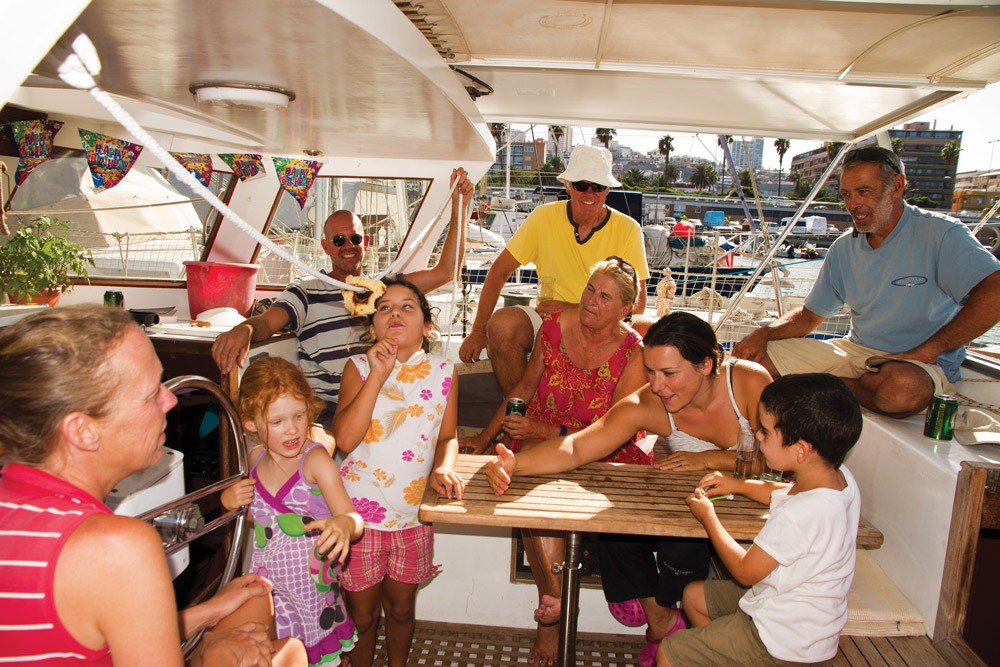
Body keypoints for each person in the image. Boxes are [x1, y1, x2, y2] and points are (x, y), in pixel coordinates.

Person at [0, 305, 305, 667]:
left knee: (250, 597)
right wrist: (211, 655)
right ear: (81, 430)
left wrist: (207, 613)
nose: (171, 399)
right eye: (150, 394)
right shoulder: (118, 547)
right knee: (288, 653)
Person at [485, 312, 771, 667]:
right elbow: (577, 447)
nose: (658, 385)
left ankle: (671, 621)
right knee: (615, 529)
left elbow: (781, 459)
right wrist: (515, 464)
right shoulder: (650, 403)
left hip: (749, 507)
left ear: (706, 365)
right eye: (650, 372)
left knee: (680, 554)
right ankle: (663, 620)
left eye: (669, 373)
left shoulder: (746, 382)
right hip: (693, 507)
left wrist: (710, 459)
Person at [459, 257, 648, 666]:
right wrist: (484, 438)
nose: (592, 301)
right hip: (543, 442)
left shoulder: (635, 353)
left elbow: (616, 428)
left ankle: (556, 613)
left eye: (605, 296)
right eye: (590, 289)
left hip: (604, 451)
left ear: (625, 309)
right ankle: (557, 602)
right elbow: (524, 388)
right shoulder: (553, 328)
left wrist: (548, 433)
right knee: (526, 494)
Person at [733, 146, 1000, 418]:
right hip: (855, 352)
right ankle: (839, 388)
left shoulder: (942, 234)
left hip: (915, 362)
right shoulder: (843, 248)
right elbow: (809, 317)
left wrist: (927, 351)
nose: (853, 204)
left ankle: (825, 387)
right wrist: (763, 333)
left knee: (903, 389)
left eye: (864, 191)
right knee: (750, 362)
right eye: (847, 194)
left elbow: (996, 291)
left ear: (896, 187)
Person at [212, 168, 475, 427]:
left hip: (382, 397)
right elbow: (267, 323)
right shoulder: (305, 291)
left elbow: (445, 270)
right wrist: (244, 329)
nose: (348, 245)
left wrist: (459, 207)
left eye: (355, 238)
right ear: (327, 246)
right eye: (338, 240)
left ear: (366, 242)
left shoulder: (385, 290)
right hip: (328, 405)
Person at [658, 373, 864, 667]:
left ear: (801, 450)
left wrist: (709, 518)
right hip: (801, 619)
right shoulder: (838, 480)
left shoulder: (801, 514)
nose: (757, 436)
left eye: (765, 432)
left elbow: (745, 572)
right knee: (693, 596)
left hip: (781, 640)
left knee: (669, 653)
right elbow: (786, 490)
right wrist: (738, 484)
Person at [332, 279, 465, 667]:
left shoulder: (444, 371)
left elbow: (449, 437)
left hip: (412, 517)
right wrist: (378, 373)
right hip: (358, 519)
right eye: (385, 307)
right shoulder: (357, 368)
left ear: (427, 326)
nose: (395, 314)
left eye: (408, 307)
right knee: (362, 616)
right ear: (372, 326)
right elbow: (344, 439)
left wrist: (444, 466)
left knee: (402, 610)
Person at [458, 144, 650, 394]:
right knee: (502, 325)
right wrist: (478, 331)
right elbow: (498, 272)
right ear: (568, 185)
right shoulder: (543, 217)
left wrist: (574, 310)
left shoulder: (629, 229)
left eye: (598, 186)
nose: (589, 193)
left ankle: (613, 420)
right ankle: (523, 415)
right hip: (550, 321)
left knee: (648, 328)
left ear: (607, 190)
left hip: (603, 325)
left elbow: (639, 304)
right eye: (581, 184)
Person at [220, 357, 363, 666]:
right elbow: (260, 519)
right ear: (249, 423)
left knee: (325, 659)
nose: (292, 430)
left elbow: (354, 518)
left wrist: (343, 524)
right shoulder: (255, 458)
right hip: (270, 591)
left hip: (313, 594)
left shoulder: (315, 462)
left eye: (299, 416)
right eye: (277, 422)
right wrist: (230, 504)